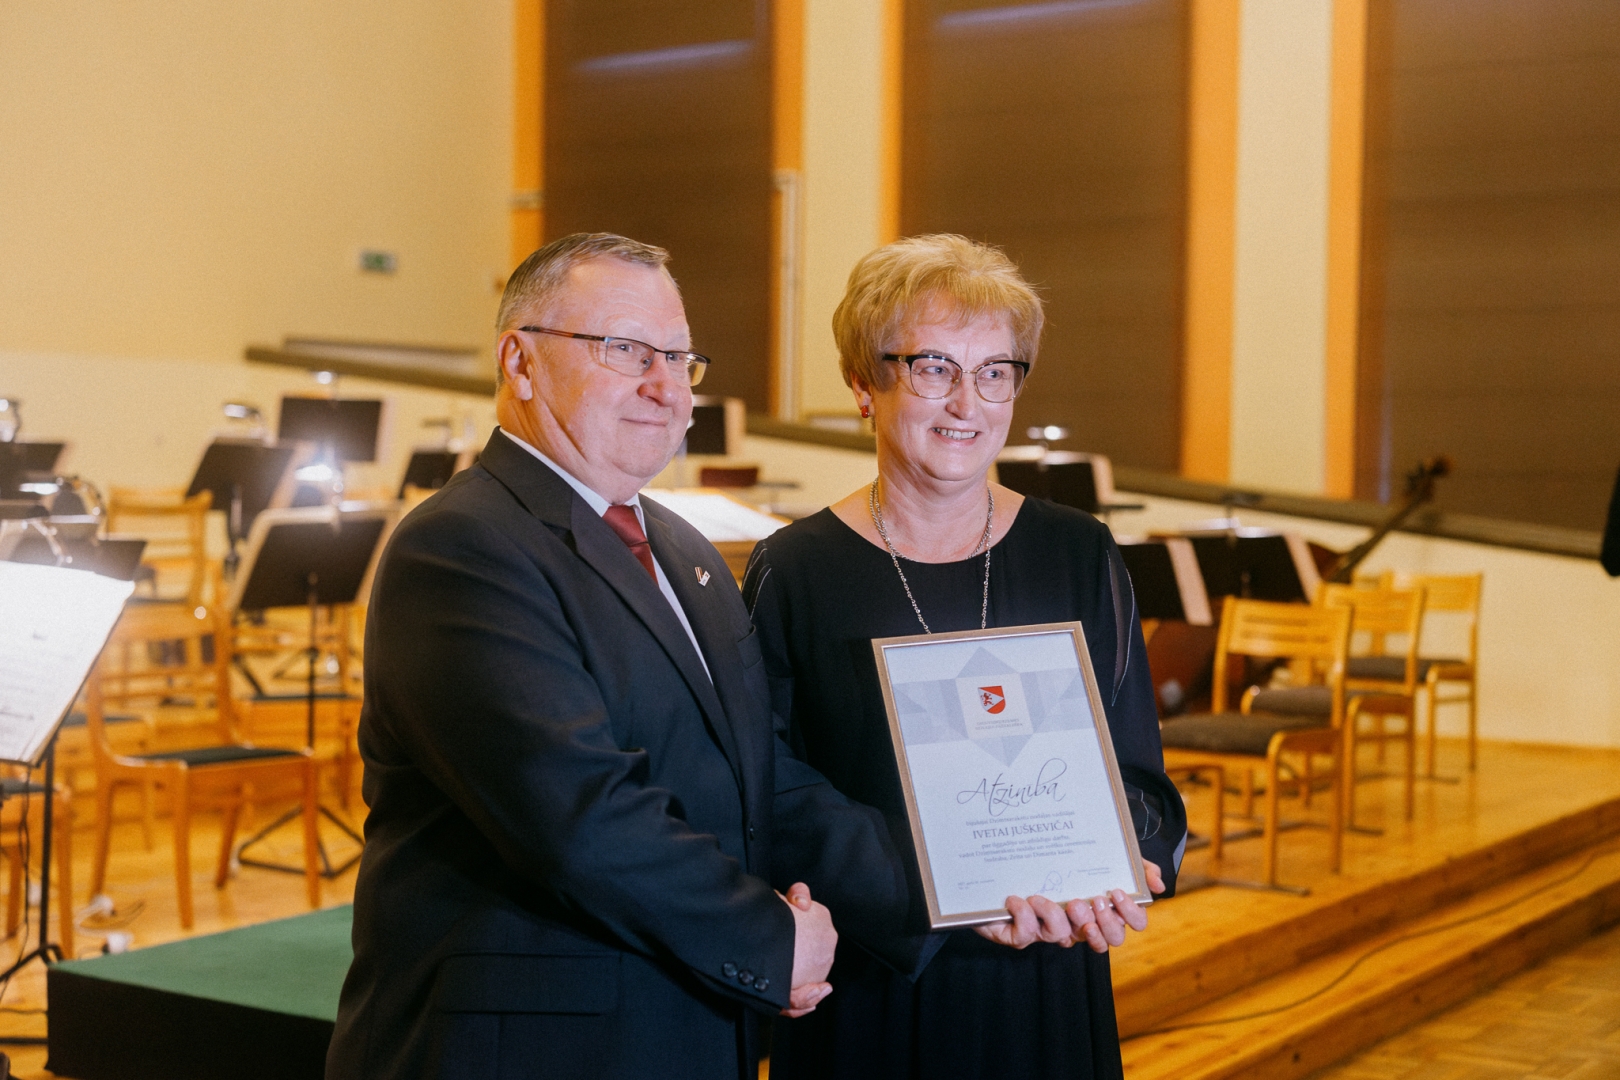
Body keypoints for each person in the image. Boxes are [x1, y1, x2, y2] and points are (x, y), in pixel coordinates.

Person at [328, 233, 904, 1080]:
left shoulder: (683, 549)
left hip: (688, 1028)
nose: (666, 386)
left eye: (679, 358)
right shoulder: (460, 547)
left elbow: (759, 777)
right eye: (627, 350)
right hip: (529, 1054)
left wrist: (953, 889)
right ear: (520, 362)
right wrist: (769, 939)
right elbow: (577, 815)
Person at [744, 234, 1187, 1079]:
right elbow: (768, 786)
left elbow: (1137, 773)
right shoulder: (794, 570)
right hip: (876, 980)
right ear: (864, 383)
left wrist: (1117, 865)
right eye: (933, 368)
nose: (967, 402)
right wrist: (932, 888)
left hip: (1047, 972)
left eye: (994, 372)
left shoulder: (1078, 552)